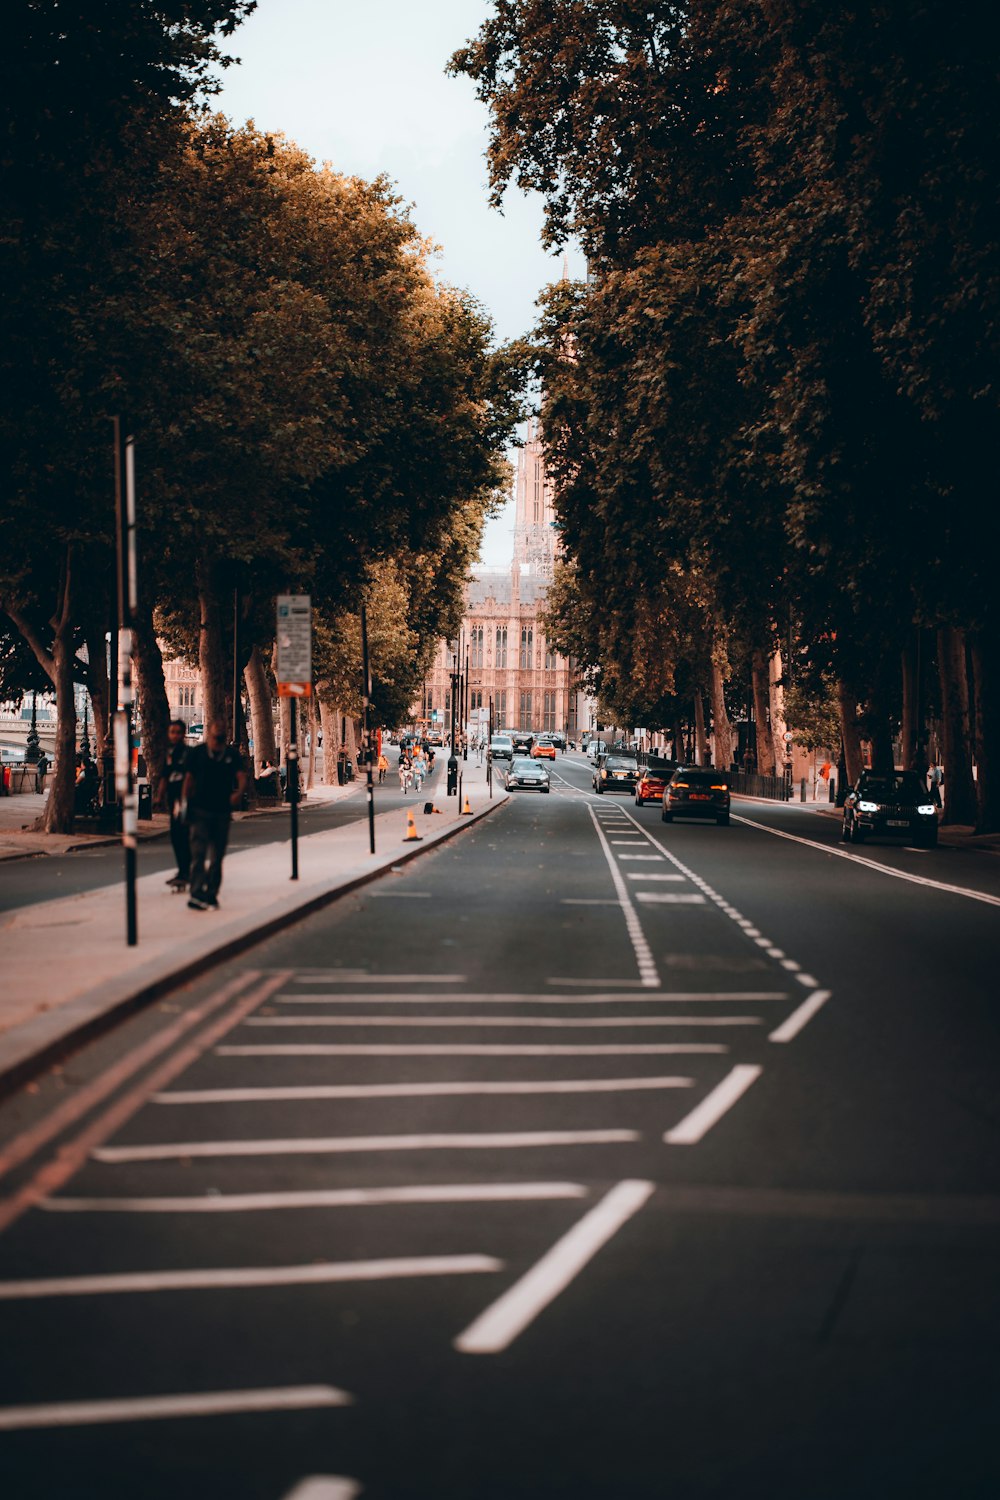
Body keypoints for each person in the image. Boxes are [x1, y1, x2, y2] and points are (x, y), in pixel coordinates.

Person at [182, 721, 247, 912]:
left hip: (222, 811)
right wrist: (185, 804)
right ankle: (196, 893)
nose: (219, 735)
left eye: (221, 732)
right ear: (209, 733)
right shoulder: (197, 754)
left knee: (217, 856)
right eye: (216, 732)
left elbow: (241, 776)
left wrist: (238, 793)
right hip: (200, 809)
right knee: (198, 853)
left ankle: (211, 893)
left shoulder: (231, 755)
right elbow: (188, 780)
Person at [158, 719, 190, 890]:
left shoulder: (187, 753)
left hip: (183, 800)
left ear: (183, 734)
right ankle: (183, 870)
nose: (175, 735)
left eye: (178, 732)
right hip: (173, 799)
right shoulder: (169, 753)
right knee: (176, 835)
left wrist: (184, 799)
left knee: (181, 834)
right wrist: (159, 796)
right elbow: (165, 775)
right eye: (172, 732)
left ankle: (186, 871)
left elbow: (190, 777)